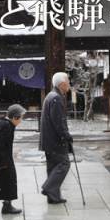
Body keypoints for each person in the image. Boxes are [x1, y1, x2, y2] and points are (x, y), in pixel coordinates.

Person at [39, 72, 73, 204]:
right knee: (64, 164)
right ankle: (48, 188)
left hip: (49, 140)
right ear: (62, 84)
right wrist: (66, 135)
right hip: (55, 141)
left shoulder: (50, 96)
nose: (69, 85)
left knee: (53, 167)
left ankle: (53, 196)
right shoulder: (56, 98)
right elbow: (58, 122)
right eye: (68, 82)